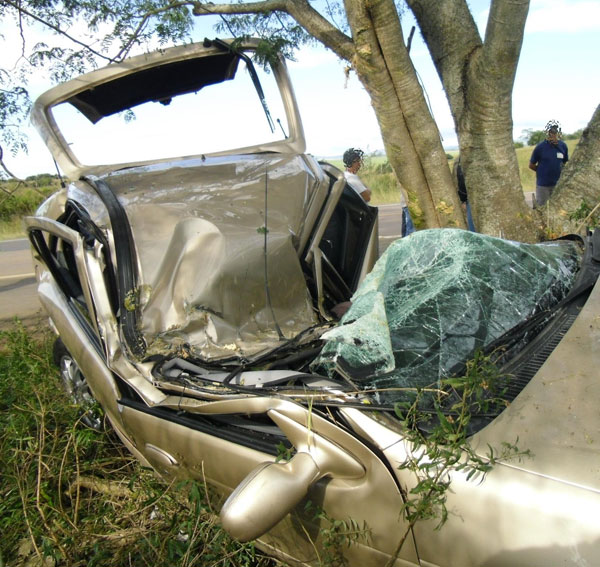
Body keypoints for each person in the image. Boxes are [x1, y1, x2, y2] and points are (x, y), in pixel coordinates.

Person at [529, 120, 569, 207]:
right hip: (543, 186)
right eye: (551, 132)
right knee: (542, 208)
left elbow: (565, 162)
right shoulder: (540, 147)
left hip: (558, 185)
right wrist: (541, 171)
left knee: (557, 208)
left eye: (555, 132)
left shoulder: (563, 146)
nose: (553, 134)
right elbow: (531, 165)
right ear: (547, 133)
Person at [455, 157, 476, 232]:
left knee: (475, 232)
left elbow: (461, 178)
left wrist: (463, 199)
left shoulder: (464, 157)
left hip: (472, 199)